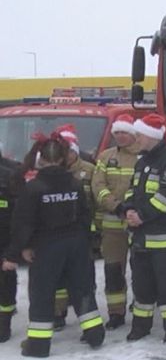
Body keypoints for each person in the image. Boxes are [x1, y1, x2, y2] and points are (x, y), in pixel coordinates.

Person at [3, 134, 105, 357]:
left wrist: (13, 254)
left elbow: (23, 224)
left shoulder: (34, 188)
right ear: (62, 159)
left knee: (42, 293)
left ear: (40, 159)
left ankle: (38, 345)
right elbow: (85, 215)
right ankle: (95, 333)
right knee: (82, 289)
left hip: (48, 247)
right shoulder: (75, 184)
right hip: (77, 244)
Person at [119, 114, 166, 343]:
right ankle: (141, 326)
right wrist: (127, 209)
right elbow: (132, 190)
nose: (136, 138)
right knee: (142, 286)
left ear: (152, 136)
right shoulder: (142, 161)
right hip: (141, 238)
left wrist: (142, 216)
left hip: (164, 239)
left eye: (140, 135)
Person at [90, 115, 140, 329]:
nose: (120, 136)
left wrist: (131, 208)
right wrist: (116, 205)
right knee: (113, 270)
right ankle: (116, 313)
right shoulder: (106, 156)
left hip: (138, 223)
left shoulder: (144, 156)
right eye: (117, 132)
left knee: (140, 269)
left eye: (124, 132)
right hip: (111, 225)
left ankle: (141, 307)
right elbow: (97, 185)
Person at [49, 125, 96, 330]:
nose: (65, 155)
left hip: (82, 232)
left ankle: (87, 318)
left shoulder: (90, 170)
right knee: (58, 276)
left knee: (84, 277)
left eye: (68, 151)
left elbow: (94, 201)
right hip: (56, 234)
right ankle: (58, 313)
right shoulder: (50, 173)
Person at [0, 147, 20, 342]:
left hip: (5, 239)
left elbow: (19, 212)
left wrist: (15, 248)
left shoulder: (9, 175)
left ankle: (4, 324)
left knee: (5, 283)